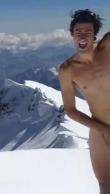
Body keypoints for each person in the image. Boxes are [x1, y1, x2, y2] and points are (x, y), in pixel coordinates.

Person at [58, 9, 110, 193]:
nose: (82, 36)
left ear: (95, 35)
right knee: (105, 183)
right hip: (100, 127)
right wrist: (104, 129)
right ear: (72, 34)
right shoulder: (67, 70)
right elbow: (71, 110)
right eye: (78, 32)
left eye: (88, 32)